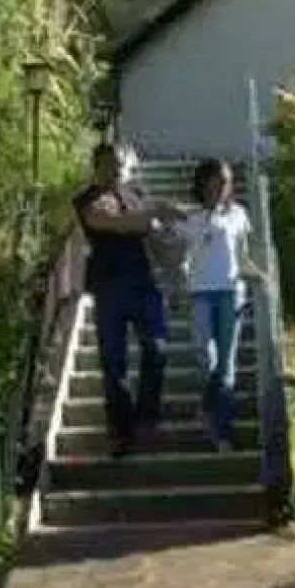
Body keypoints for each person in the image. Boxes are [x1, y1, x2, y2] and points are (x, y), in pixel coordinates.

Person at [73, 142, 181, 455]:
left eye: (121, 165)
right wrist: (156, 212)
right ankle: (121, 431)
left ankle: (146, 416)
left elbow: (156, 240)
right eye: (111, 165)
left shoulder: (137, 196)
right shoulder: (87, 200)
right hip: (109, 288)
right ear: (97, 166)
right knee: (113, 363)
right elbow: (114, 222)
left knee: (157, 349)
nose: (118, 171)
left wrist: (175, 256)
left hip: (145, 284)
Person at [176, 158, 267, 452]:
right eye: (214, 183)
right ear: (202, 186)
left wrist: (260, 276)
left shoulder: (239, 215)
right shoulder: (191, 219)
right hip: (201, 292)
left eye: (225, 183)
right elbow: (178, 256)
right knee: (205, 353)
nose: (220, 188)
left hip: (231, 293)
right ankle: (206, 408)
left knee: (226, 367)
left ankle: (223, 432)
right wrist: (178, 282)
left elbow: (242, 259)